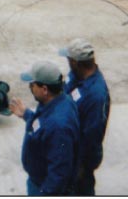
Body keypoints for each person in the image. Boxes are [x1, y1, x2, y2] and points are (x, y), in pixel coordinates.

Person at [9, 60, 81, 196]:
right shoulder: (59, 100)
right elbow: (43, 125)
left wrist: (44, 193)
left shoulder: (59, 126)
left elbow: (59, 172)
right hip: (38, 181)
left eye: (32, 84)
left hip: (44, 188)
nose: (30, 87)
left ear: (44, 89)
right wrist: (27, 115)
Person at [59, 38, 111, 196]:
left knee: (81, 189)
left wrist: (81, 165)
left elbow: (92, 135)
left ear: (75, 62)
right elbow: (65, 91)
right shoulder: (76, 75)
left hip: (81, 159)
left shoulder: (96, 95)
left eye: (68, 60)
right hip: (68, 150)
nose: (67, 63)